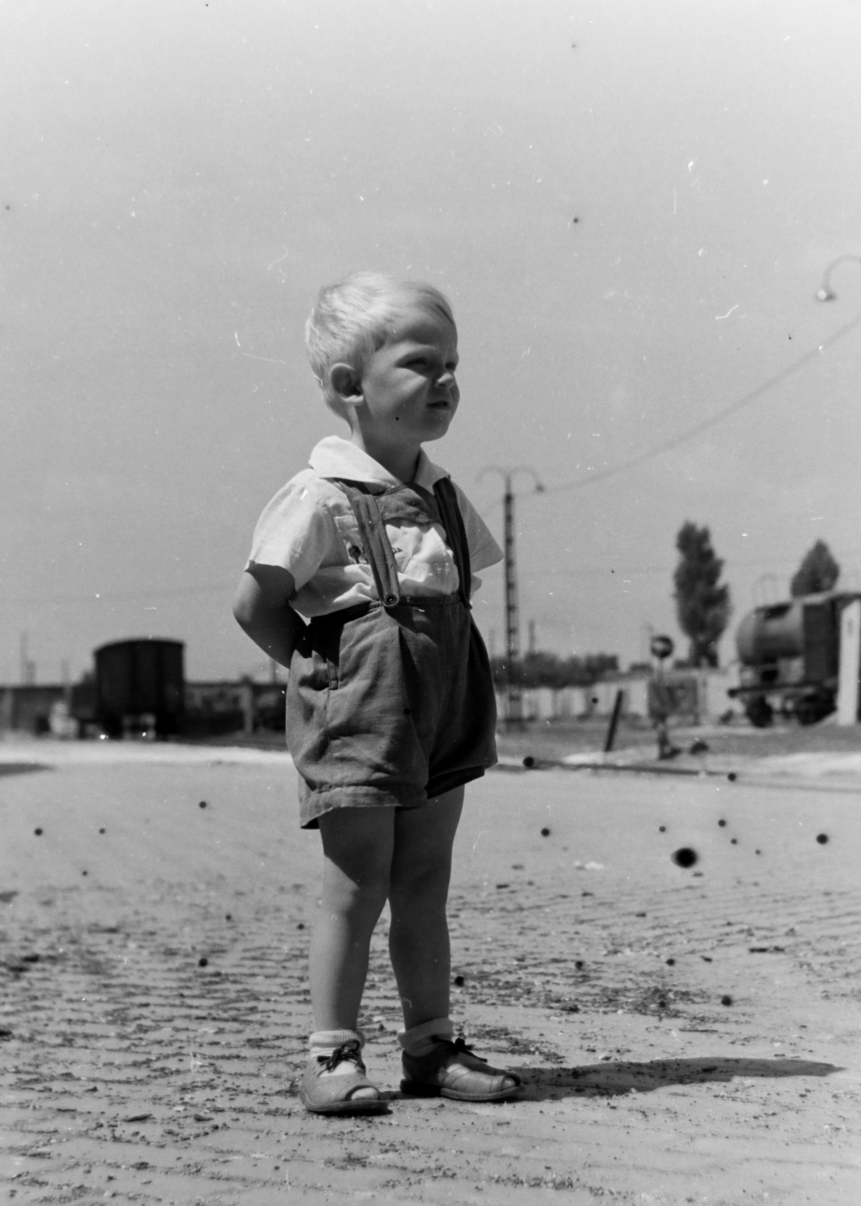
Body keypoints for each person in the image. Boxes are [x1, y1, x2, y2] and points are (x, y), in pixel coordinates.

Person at [232, 271, 520, 1116]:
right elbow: (254, 603)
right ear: (348, 387)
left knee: (426, 880)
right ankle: (331, 1054)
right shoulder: (319, 496)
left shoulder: (443, 494)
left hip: (443, 706)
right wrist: (321, 674)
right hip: (360, 708)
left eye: (453, 364)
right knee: (358, 883)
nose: (446, 382)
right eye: (421, 363)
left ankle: (430, 1045)